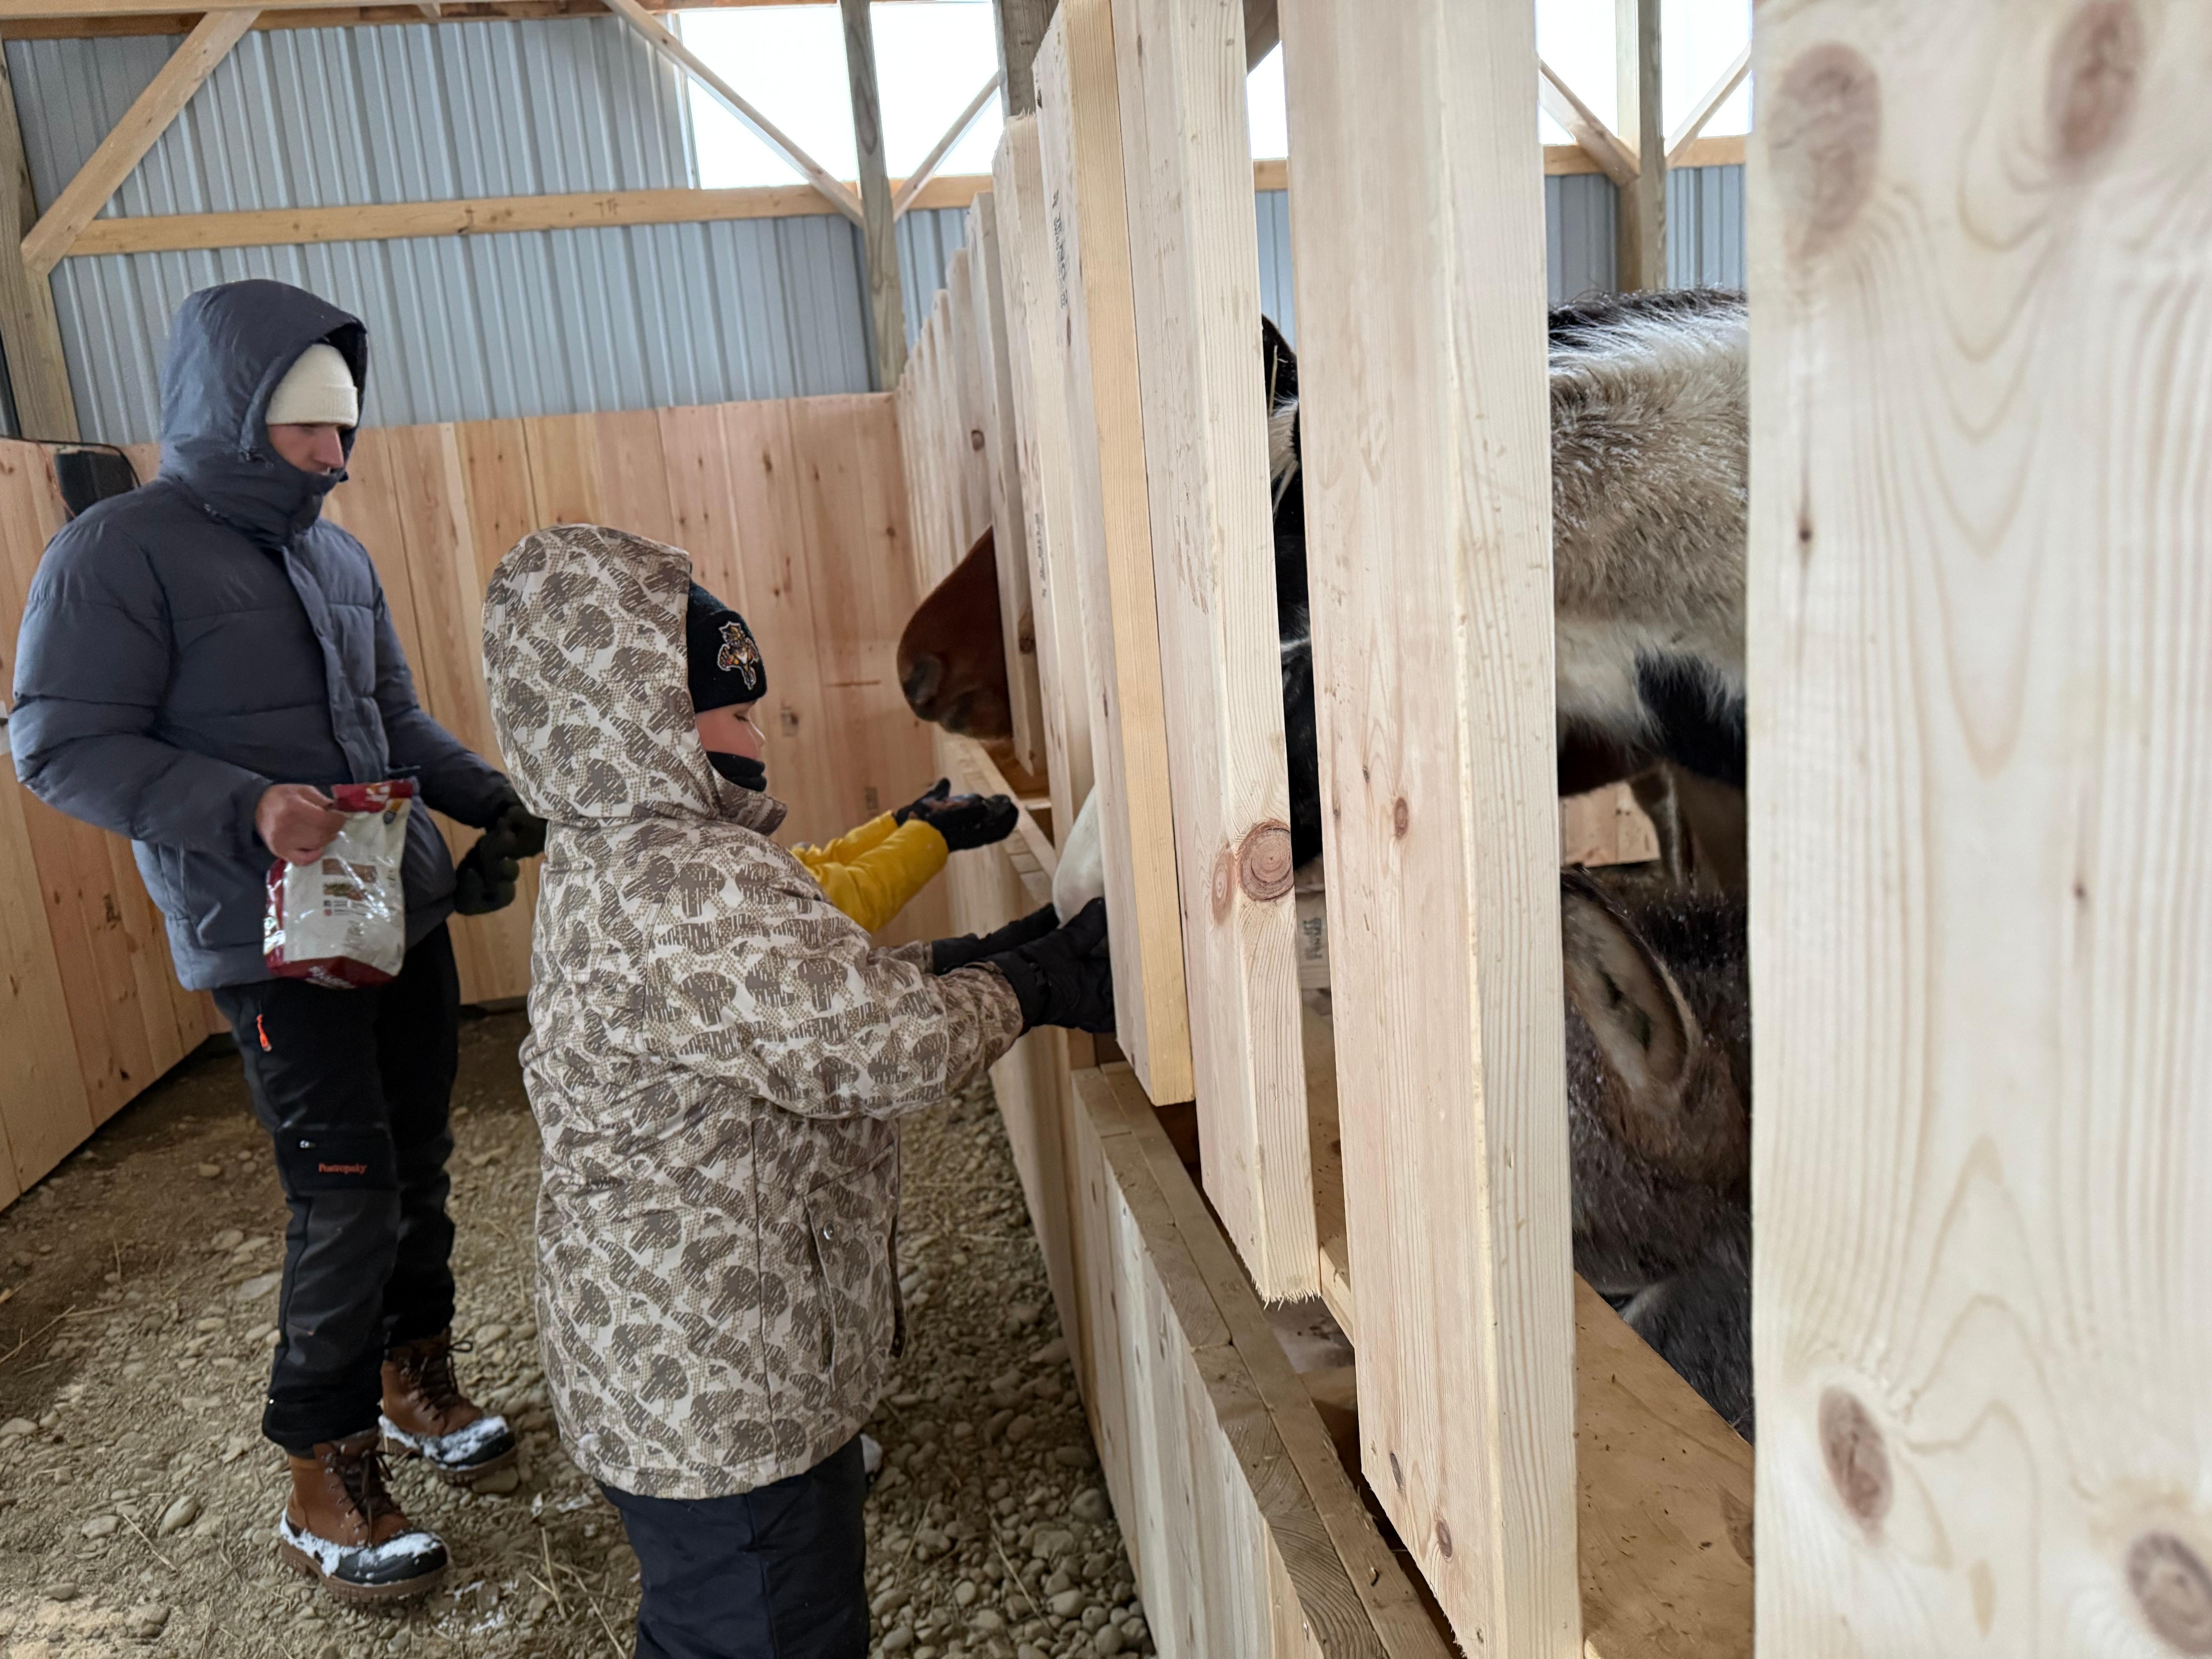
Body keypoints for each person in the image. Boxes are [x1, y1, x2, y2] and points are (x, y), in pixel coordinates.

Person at [481, 522, 1112, 1659]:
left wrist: (992, 955)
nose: (758, 734)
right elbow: (878, 1043)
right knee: (774, 1630)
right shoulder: (684, 880)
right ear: (647, 724)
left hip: (680, 1377)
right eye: (734, 711)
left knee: (721, 1624)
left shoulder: (629, 856)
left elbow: (803, 1005)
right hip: (727, 1403)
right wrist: (1031, 982)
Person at [8, 280, 540, 1606]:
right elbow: (56, 742)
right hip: (264, 942)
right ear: (230, 411)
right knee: (346, 1187)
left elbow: (396, 722)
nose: (335, 451)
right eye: (307, 424)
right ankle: (322, 1468)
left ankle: (415, 1376)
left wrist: (504, 795)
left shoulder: (336, 554)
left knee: (418, 1157)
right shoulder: (116, 553)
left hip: (392, 911)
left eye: (345, 427)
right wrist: (243, 806)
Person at [684, 580, 1022, 934]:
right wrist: (932, 835)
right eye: (741, 717)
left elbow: (795, 872)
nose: (760, 738)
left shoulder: (692, 835)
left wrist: (901, 824)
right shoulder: (689, 868)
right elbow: (824, 906)